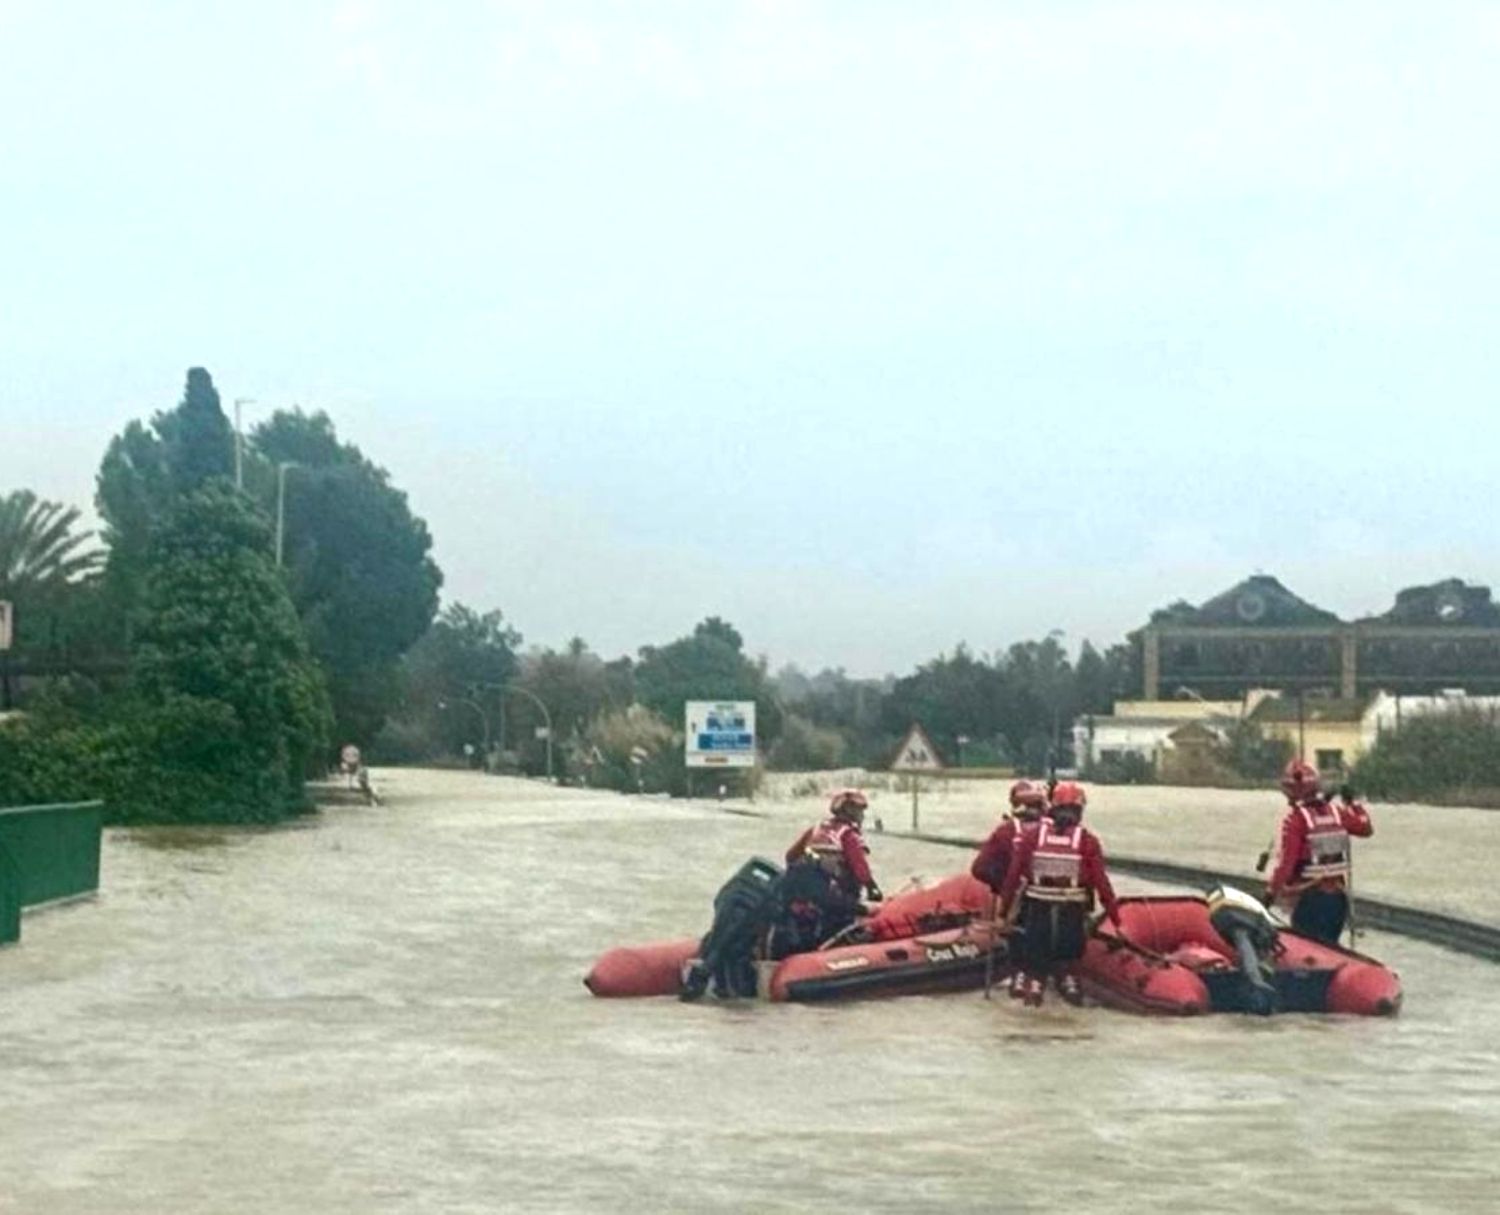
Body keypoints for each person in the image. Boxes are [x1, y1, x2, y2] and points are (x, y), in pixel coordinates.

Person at [999, 781, 1121, 1007]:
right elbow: (1102, 883)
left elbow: (1013, 877)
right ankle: (1069, 986)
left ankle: (1034, 987)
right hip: (1072, 913)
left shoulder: (1032, 837)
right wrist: (1116, 920)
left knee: (1035, 965)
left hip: (1037, 911)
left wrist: (1003, 912)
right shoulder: (1087, 841)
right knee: (1070, 962)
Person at [1263, 758, 1372, 945]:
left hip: (1310, 899)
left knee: (1307, 947)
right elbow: (1365, 828)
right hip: (1338, 900)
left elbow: (1286, 865)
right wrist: (1353, 803)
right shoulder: (1337, 813)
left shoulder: (1296, 820)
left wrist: (1270, 894)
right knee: (1330, 946)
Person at [773, 788, 883, 956]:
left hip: (805, 895)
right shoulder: (848, 834)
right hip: (835, 897)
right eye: (858, 811)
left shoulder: (816, 829)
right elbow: (859, 866)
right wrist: (872, 887)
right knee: (847, 925)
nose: (861, 815)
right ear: (848, 811)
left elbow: (790, 856)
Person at [970, 780, 1049, 892]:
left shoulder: (1005, 830)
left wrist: (1002, 885)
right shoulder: (1054, 829)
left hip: (1014, 893)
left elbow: (979, 869)